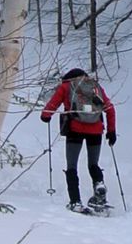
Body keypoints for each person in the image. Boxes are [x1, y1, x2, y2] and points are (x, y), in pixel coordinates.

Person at [41, 65, 117, 211]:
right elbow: (110, 109)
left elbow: (52, 105)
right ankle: (99, 185)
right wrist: (111, 131)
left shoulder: (66, 86)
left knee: (72, 166)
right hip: (96, 130)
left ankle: (75, 201)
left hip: (74, 129)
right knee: (93, 164)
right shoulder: (95, 87)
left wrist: (46, 116)